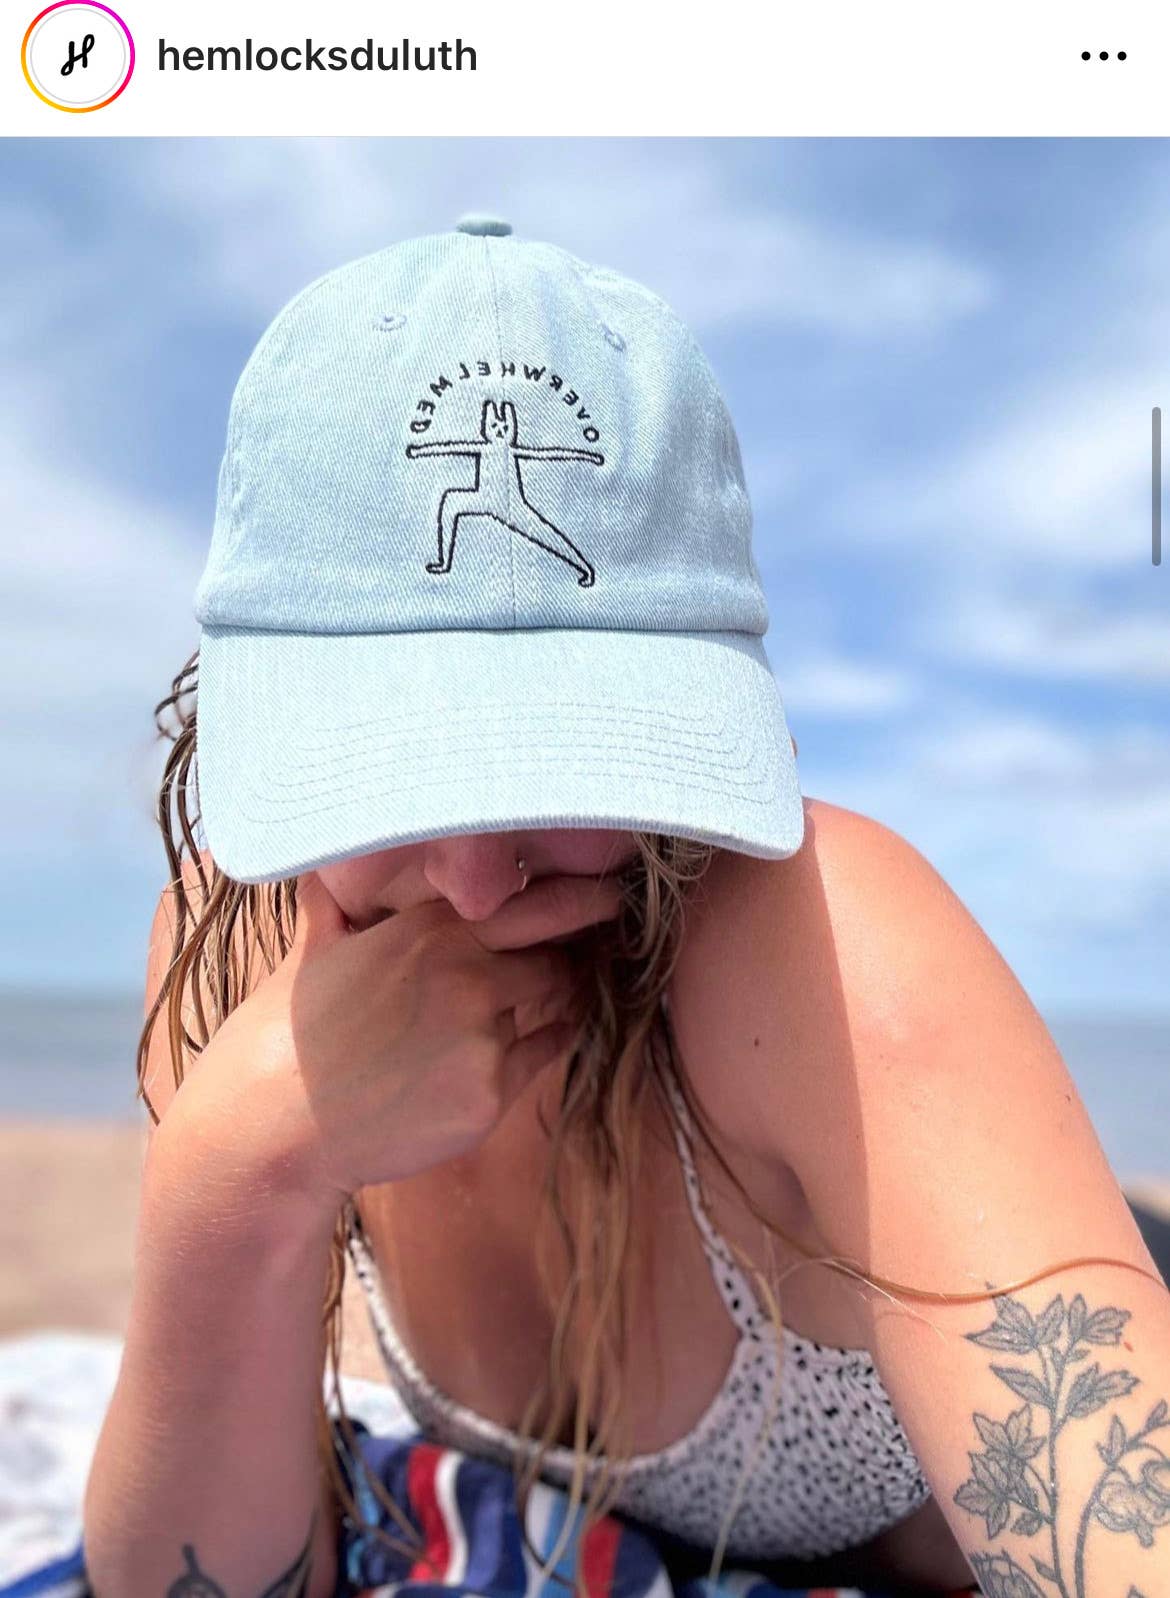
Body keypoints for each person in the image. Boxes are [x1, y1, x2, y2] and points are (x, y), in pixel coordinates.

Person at [80, 216, 1169, 1598]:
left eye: (566, 766)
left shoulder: (824, 945)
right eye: (379, 777)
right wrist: (233, 1182)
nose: (475, 882)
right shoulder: (232, 955)